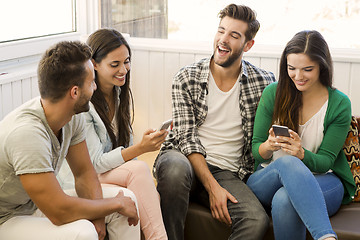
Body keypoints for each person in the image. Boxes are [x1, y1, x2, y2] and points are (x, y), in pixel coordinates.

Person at [153, 4, 276, 240]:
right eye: (221, 31)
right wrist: (212, 188)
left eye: (234, 35)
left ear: (248, 45)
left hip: (229, 172)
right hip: (183, 158)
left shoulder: (264, 83)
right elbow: (186, 139)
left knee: (255, 219)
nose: (223, 39)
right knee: (176, 170)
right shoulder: (186, 77)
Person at [0, 41, 140, 240]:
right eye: (92, 82)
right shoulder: (27, 134)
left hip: (33, 205)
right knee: (84, 232)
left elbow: (84, 173)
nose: (95, 86)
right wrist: (112, 204)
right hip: (6, 218)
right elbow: (58, 211)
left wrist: (101, 213)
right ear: (75, 92)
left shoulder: (71, 117)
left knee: (128, 200)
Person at [57, 28, 168, 240]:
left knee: (147, 191)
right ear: (94, 64)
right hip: (79, 181)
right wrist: (140, 148)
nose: (124, 69)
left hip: (105, 175)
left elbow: (128, 157)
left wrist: (138, 149)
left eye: (126, 61)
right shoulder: (84, 105)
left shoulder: (118, 94)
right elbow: (95, 164)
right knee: (138, 171)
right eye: (114, 64)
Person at [246, 30, 356, 240]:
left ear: (322, 66)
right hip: (268, 177)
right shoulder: (273, 93)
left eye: (307, 69)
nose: (298, 76)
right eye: (291, 68)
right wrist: (269, 146)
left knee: (285, 199)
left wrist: (302, 154)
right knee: (288, 163)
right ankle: (326, 237)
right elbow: (256, 151)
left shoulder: (339, 103)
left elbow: (325, 162)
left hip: (323, 180)